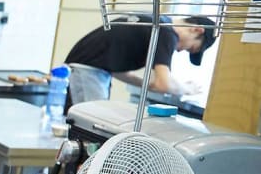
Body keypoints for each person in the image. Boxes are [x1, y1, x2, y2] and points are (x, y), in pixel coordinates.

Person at [64, 14, 216, 108]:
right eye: (191, 48)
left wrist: (151, 86)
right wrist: (186, 89)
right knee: (87, 130)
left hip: (85, 71)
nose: (179, 50)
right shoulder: (166, 32)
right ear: (196, 30)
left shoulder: (155, 22)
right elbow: (164, 84)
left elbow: (116, 70)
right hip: (88, 74)